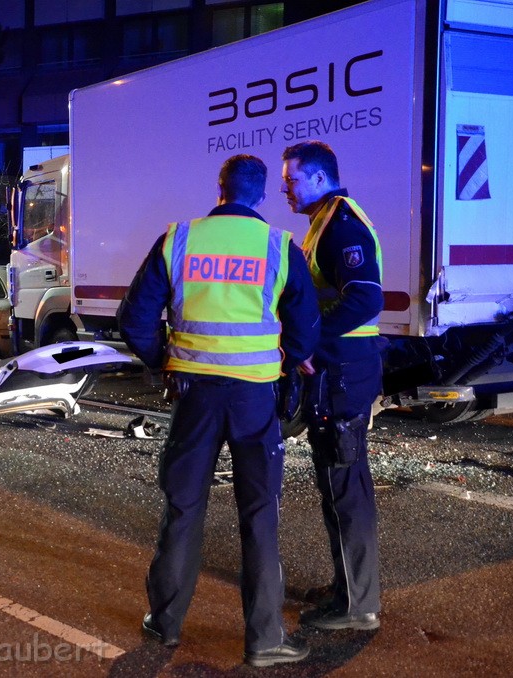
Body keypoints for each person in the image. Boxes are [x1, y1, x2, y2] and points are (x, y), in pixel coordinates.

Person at [118, 154, 319, 667]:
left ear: (220, 188)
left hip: (194, 396)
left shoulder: (179, 239)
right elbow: (304, 328)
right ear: (261, 196)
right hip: (254, 398)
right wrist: (285, 364)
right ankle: (265, 638)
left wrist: (164, 358)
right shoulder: (279, 246)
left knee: (183, 508)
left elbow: (135, 318)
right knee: (258, 515)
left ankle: (164, 624)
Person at [280, 140, 384, 632]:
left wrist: (307, 344)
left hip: (344, 372)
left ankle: (358, 606)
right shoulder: (323, 221)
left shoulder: (342, 226)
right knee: (335, 482)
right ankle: (346, 588)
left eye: (292, 179)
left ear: (319, 178)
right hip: (336, 372)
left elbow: (365, 300)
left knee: (345, 484)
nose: (285, 187)